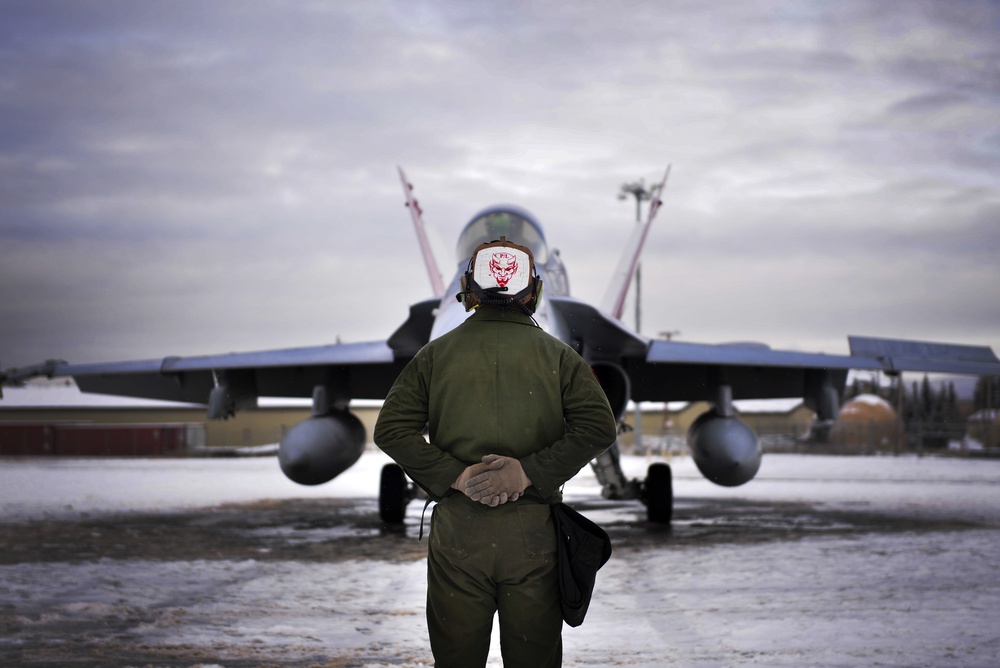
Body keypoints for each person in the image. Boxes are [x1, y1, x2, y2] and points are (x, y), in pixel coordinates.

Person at [374, 236, 617, 668]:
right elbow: (599, 426)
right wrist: (526, 474)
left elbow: (392, 429)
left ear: (469, 289)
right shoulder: (561, 358)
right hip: (534, 535)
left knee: (457, 659)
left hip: (458, 534)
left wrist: (459, 476)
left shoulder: (434, 356)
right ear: (534, 292)